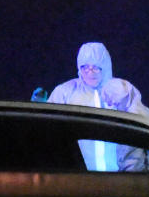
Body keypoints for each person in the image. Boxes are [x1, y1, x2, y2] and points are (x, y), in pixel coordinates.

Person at [47, 42, 117, 171]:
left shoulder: (119, 93)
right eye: (85, 67)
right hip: (76, 180)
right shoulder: (65, 92)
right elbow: (47, 132)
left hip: (116, 180)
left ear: (105, 67)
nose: (90, 72)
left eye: (96, 67)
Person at [101, 77, 149, 172]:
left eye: (114, 103)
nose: (111, 106)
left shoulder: (136, 119)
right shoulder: (138, 115)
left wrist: (148, 181)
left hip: (140, 180)